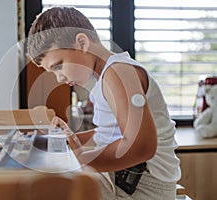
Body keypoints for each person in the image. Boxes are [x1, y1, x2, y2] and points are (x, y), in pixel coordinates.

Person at [27, 6, 181, 200]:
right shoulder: (106, 77)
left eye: (59, 66)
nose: (59, 78)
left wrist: (81, 158)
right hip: (129, 177)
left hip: (144, 185)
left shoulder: (118, 73)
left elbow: (142, 147)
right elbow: (110, 132)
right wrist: (70, 140)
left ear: (82, 43)